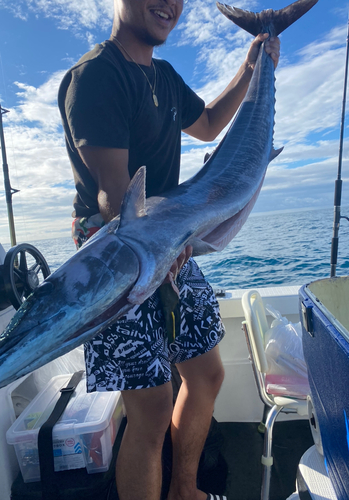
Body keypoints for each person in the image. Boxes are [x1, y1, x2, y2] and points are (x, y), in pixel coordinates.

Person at [58, 1, 280, 499]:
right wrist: (163, 245)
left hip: (175, 246)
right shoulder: (95, 76)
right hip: (118, 263)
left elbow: (207, 125)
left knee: (206, 374)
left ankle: (185, 490)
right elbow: (114, 197)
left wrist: (254, 66)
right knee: (152, 410)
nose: (170, 4)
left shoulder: (164, 76)